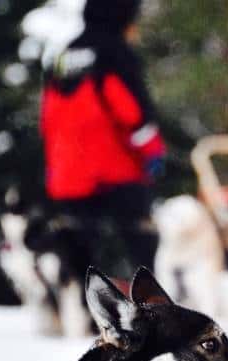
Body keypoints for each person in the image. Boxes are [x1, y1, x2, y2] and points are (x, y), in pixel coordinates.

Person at [40, 0, 164, 275]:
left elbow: (48, 115)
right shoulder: (115, 53)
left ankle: (82, 310)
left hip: (68, 172)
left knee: (79, 253)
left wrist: (53, 165)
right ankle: (152, 308)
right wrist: (153, 152)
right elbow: (132, 112)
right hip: (115, 168)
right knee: (140, 242)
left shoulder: (61, 56)